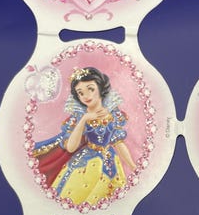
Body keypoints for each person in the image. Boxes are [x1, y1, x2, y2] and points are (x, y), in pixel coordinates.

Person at [33, 67, 136, 206]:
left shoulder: (113, 114)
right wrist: (84, 119)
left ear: (101, 88)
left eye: (90, 89)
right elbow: (70, 147)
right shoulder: (79, 116)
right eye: (80, 93)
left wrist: (133, 166)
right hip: (86, 163)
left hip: (111, 161)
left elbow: (119, 143)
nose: (86, 96)